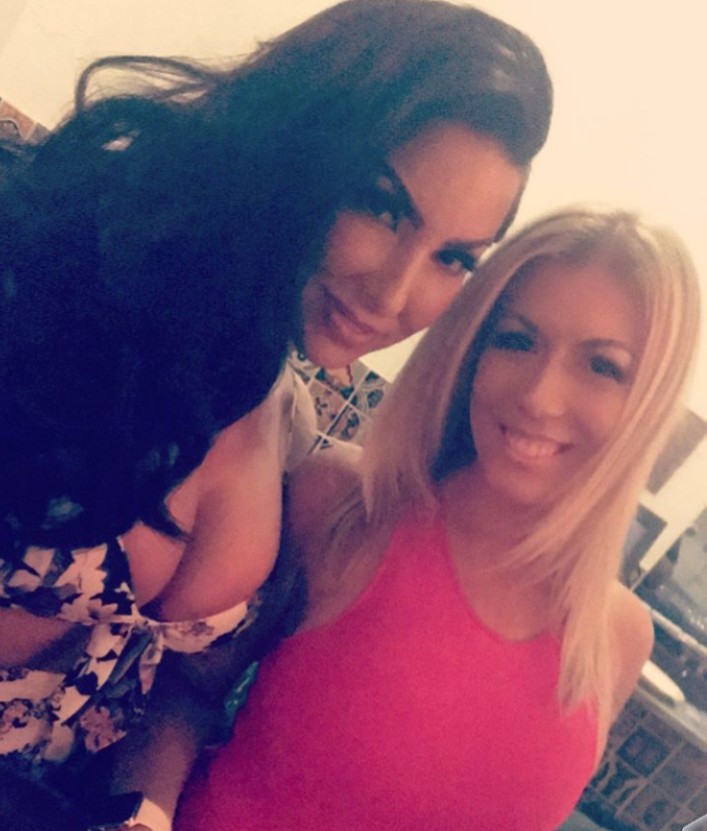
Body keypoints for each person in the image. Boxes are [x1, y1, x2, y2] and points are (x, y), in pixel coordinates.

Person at [0, 0, 551, 827]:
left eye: (452, 258)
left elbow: (180, 690)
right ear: (304, 141)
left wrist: (141, 816)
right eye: (381, 206)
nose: (394, 295)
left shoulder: (284, 420)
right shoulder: (59, 287)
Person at [174, 205, 701, 831]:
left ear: (648, 405)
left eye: (602, 366)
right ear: (472, 348)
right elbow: (179, 693)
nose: (539, 396)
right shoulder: (343, 504)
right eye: (517, 340)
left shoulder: (619, 637)